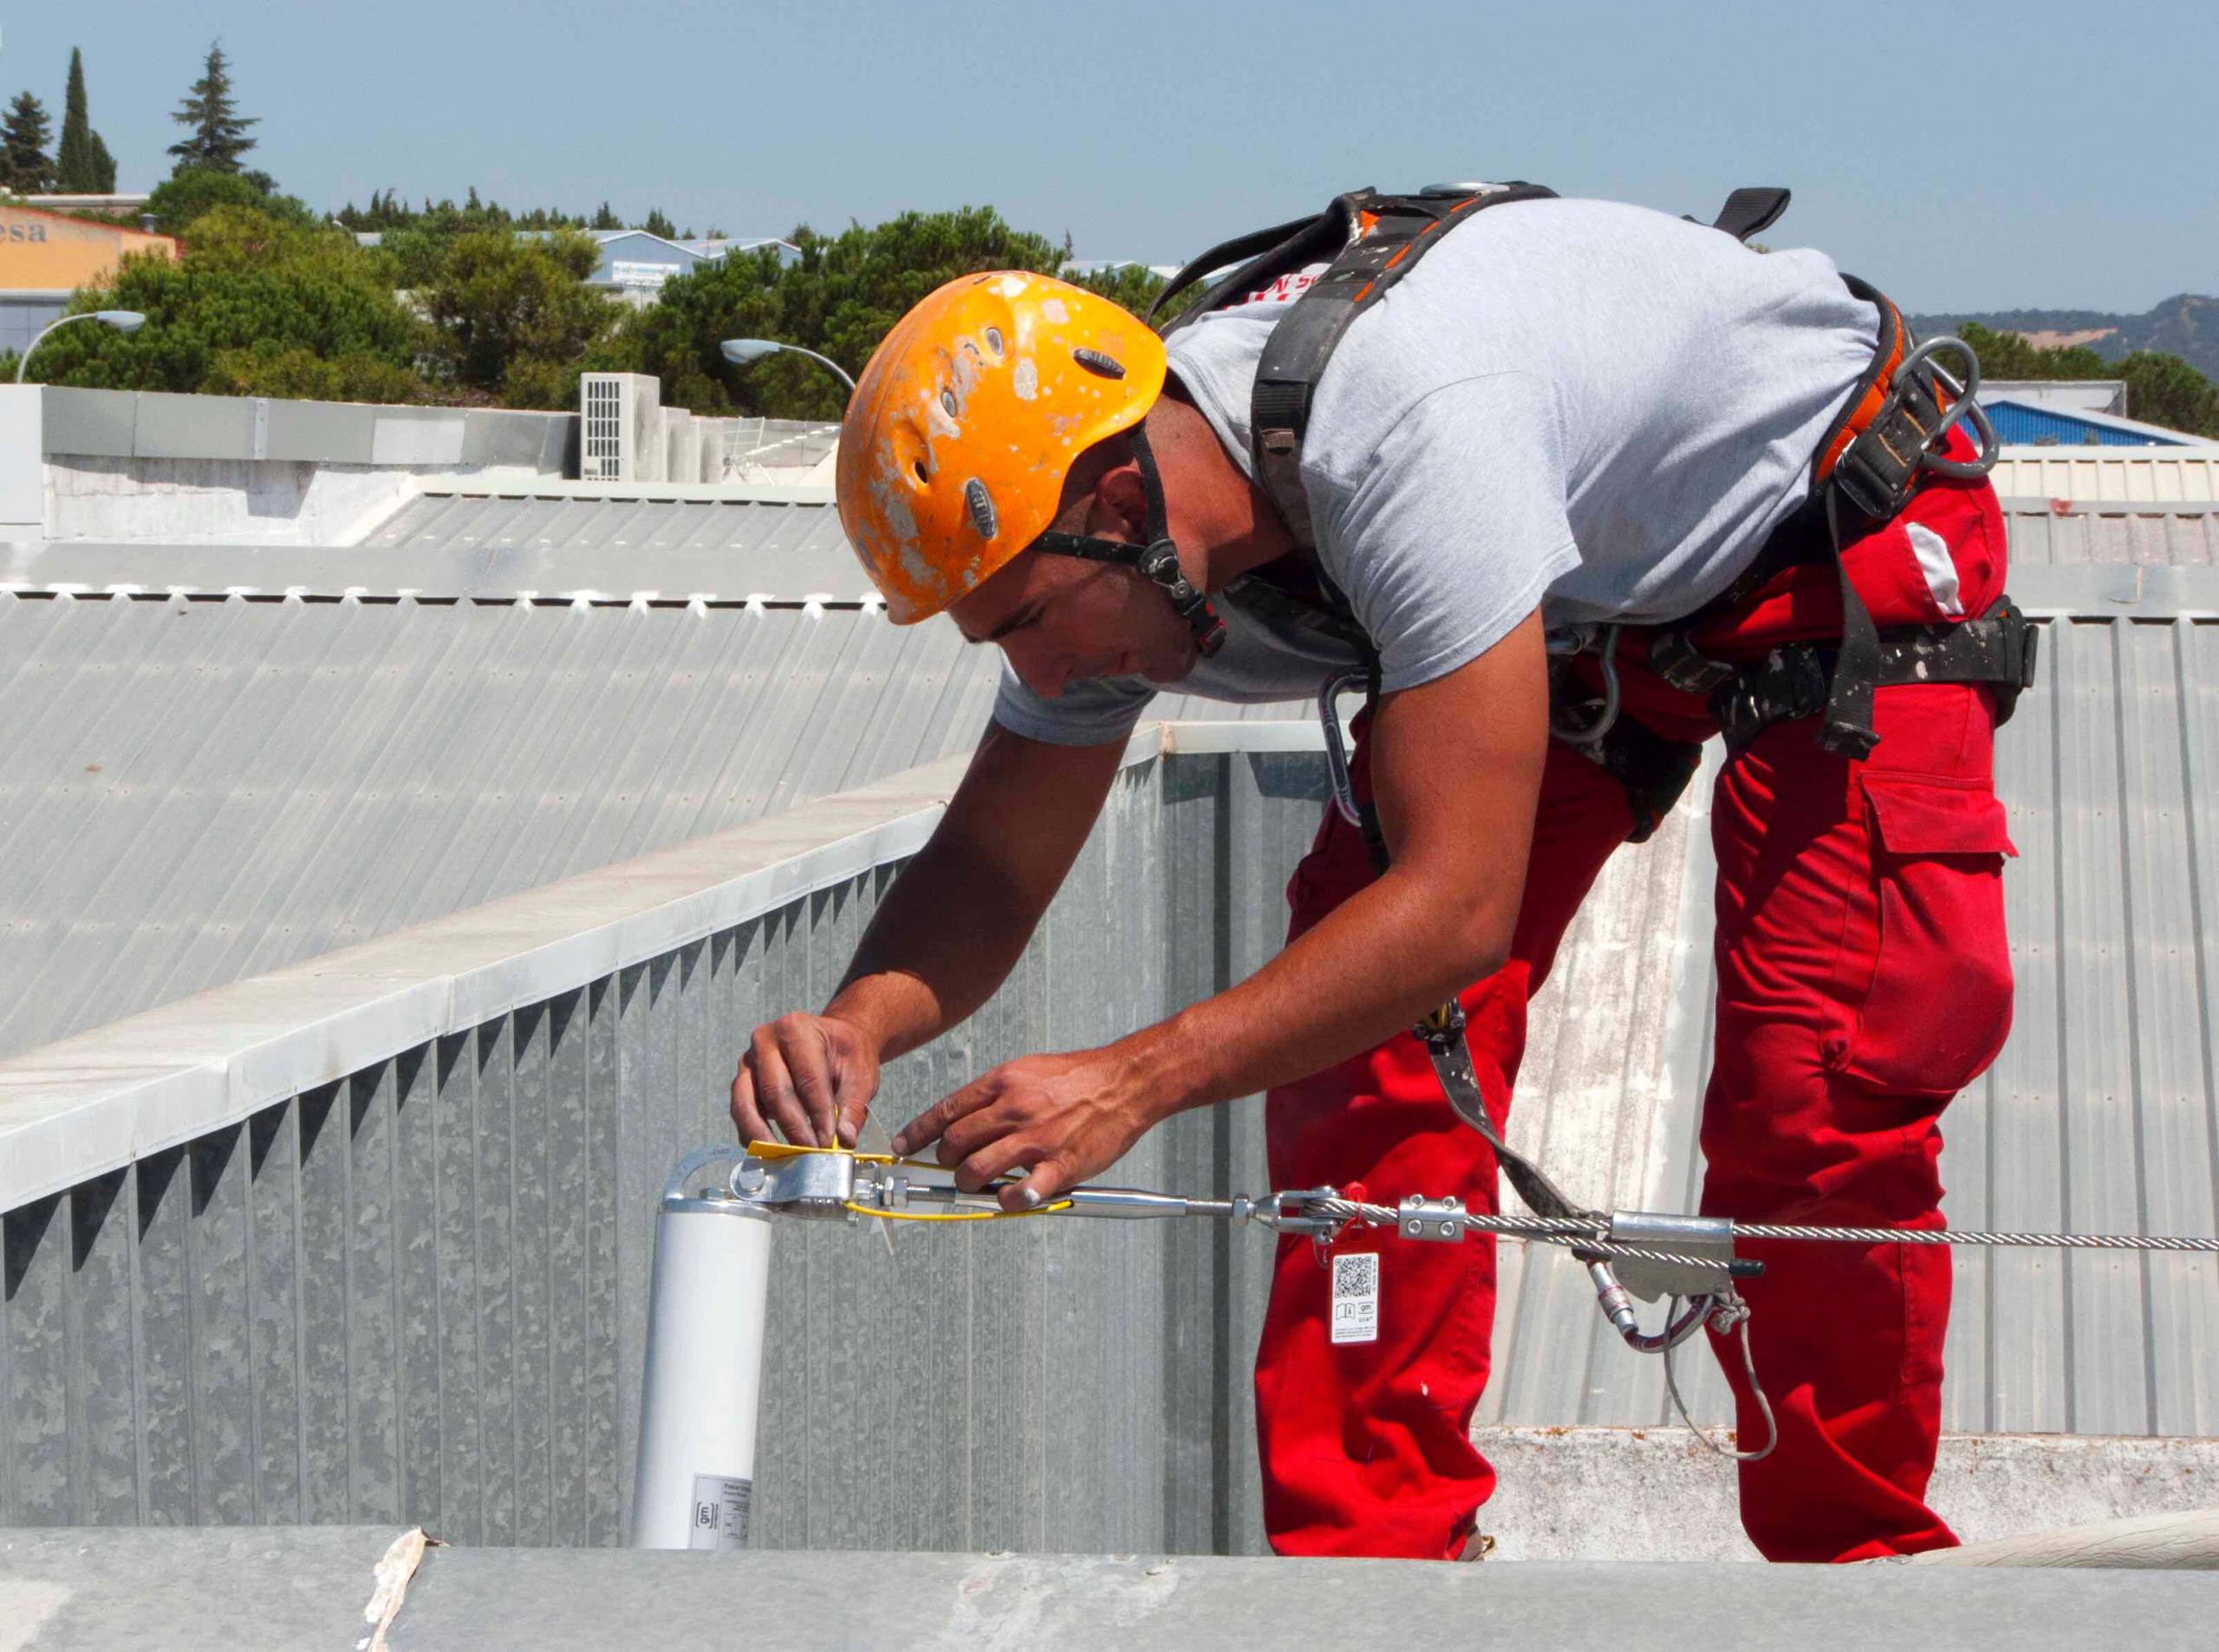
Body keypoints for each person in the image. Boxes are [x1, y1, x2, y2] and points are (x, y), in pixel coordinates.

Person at [730, 192, 2026, 1564]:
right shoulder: (1114, 561)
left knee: (1819, 1093)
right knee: (1372, 1070)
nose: (1042, 680)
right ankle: (1373, 1581)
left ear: (1121, 502)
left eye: (1033, 624)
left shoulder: (1405, 432)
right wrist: (855, 1021)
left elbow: (1459, 909)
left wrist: (1135, 1078)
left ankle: (1857, 1578)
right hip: (1589, 588)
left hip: (1830, 523)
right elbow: (995, 856)